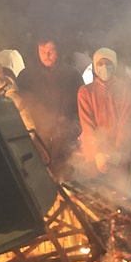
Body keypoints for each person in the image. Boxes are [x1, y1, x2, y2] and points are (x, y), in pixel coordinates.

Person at [17, 34, 85, 181]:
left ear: (58, 51)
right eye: (42, 51)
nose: (46, 55)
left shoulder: (72, 76)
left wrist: (75, 127)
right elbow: (19, 109)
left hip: (66, 142)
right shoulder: (26, 77)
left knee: (67, 184)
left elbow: (81, 106)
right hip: (38, 143)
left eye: (51, 50)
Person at [77, 47, 131, 194]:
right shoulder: (85, 92)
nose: (104, 67)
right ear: (95, 66)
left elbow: (126, 122)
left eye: (108, 63)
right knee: (98, 197)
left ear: (115, 65)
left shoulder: (125, 90)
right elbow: (87, 125)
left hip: (120, 155)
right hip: (94, 156)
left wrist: (117, 151)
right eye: (100, 63)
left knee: (122, 196)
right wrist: (98, 153)